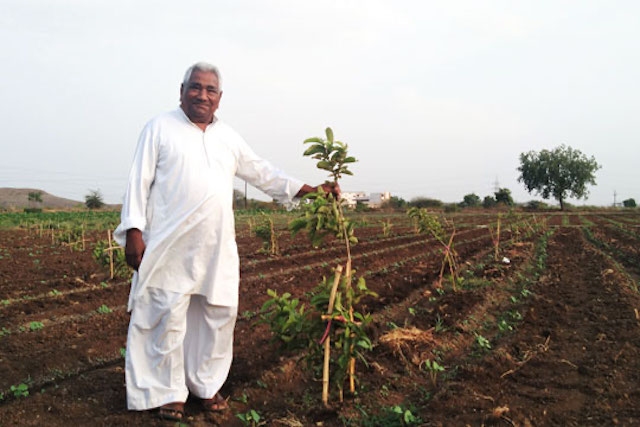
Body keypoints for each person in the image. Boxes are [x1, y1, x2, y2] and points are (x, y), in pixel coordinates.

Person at [114, 61, 338, 421]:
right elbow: (137, 182)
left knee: (217, 314)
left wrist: (310, 190)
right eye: (195, 87)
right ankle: (168, 392)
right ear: (182, 90)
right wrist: (133, 232)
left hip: (216, 245)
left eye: (210, 90)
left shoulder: (228, 137)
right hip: (168, 244)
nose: (202, 95)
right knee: (165, 313)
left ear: (219, 98)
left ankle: (204, 384)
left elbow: (262, 172)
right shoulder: (159, 127)